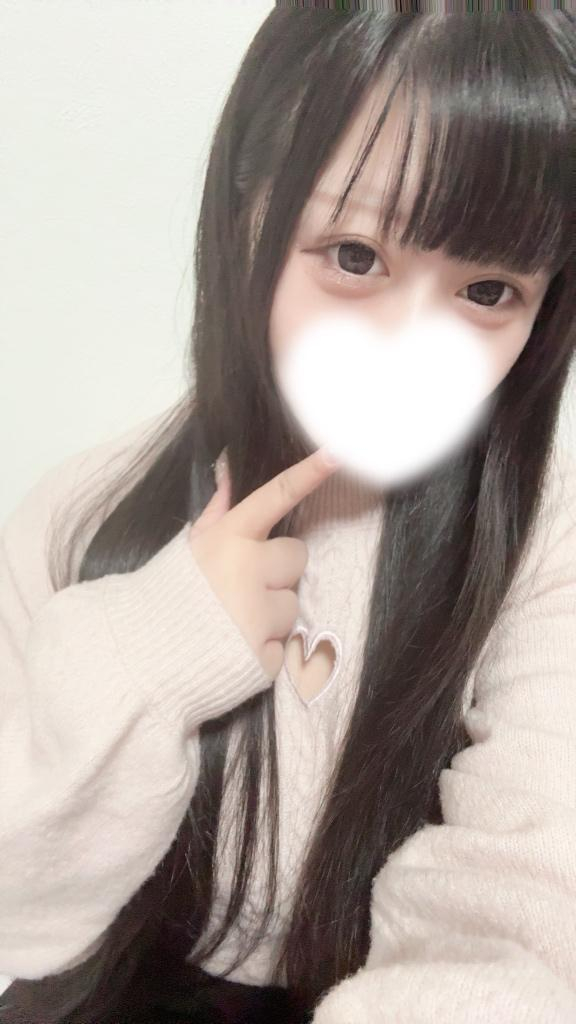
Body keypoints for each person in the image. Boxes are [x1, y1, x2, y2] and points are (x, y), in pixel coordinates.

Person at [1, 5, 575, 1023]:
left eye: (489, 289)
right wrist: (153, 654)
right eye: (354, 255)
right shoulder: (86, 517)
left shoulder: (547, 529)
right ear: (247, 212)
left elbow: (524, 910)